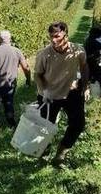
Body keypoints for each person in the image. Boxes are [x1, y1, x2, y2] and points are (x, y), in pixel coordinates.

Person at [33, 21, 89, 166]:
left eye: (57, 36)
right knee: (44, 126)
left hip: (71, 93)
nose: (53, 40)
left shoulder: (78, 50)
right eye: (51, 36)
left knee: (78, 124)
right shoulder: (45, 54)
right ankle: (42, 153)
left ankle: (61, 153)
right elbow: (37, 75)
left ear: (66, 34)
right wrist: (44, 91)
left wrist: (85, 85)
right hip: (49, 96)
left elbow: (84, 66)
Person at [0, 30, 31, 129]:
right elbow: (25, 67)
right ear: (10, 38)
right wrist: (28, 79)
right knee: (8, 104)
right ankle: (11, 124)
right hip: (9, 85)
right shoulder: (17, 51)